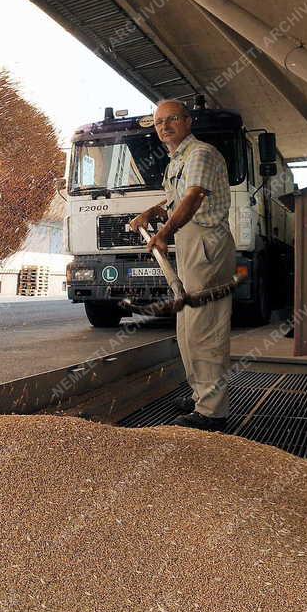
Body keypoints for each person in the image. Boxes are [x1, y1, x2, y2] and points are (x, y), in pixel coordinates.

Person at [127, 100, 235, 431]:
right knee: (187, 326)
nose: (164, 126)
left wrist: (163, 232)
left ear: (188, 121)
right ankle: (201, 394)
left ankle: (212, 412)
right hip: (189, 244)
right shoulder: (178, 160)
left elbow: (193, 198)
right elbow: (176, 200)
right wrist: (153, 213)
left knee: (204, 328)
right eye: (159, 122)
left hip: (205, 244)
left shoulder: (200, 153)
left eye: (171, 119)